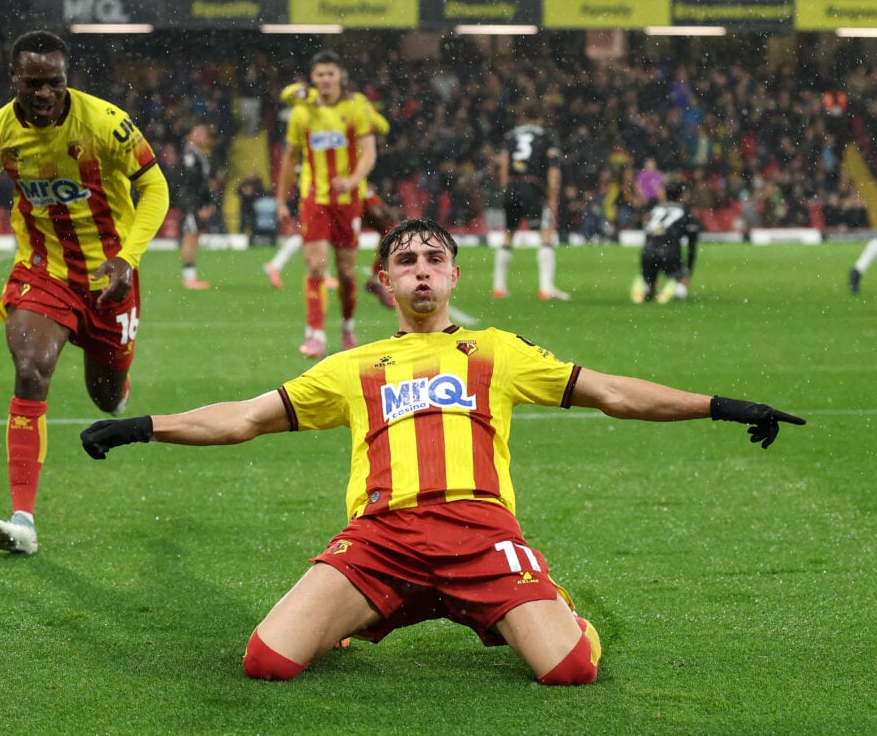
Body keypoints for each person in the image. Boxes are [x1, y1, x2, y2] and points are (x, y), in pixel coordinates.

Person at [79, 217, 804, 684]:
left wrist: (721, 405)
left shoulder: (497, 350)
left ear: (455, 276)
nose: (421, 268)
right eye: (406, 259)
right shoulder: (355, 365)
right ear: (385, 280)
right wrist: (142, 424)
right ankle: (370, 606)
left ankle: (553, 610)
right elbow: (241, 418)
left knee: (571, 668)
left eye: (434, 258)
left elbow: (613, 391)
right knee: (266, 662)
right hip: (381, 538)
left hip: (480, 534)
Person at [0, 30, 170, 555]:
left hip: (110, 277)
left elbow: (154, 186)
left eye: (55, 84)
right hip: (42, 271)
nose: (45, 94)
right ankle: (23, 518)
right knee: (30, 368)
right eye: (33, 84)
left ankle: (118, 378)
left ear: (67, 80)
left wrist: (127, 258)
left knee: (107, 398)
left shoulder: (105, 123)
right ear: (15, 80)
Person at [273, 51, 377, 357]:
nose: (326, 79)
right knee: (316, 265)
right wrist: (281, 200)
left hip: (348, 201)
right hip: (314, 199)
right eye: (320, 75)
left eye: (331, 74)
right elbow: (289, 157)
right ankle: (315, 333)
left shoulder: (355, 106)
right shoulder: (302, 112)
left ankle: (347, 326)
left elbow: (369, 152)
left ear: (340, 76)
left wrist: (353, 179)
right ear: (313, 78)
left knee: (346, 272)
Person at [265, 78, 395, 309]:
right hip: (321, 188)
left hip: (355, 188)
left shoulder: (357, 105)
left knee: (391, 228)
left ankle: (376, 279)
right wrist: (304, 94)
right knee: (318, 245)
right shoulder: (313, 101)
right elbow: (287, 93)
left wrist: (366, 111)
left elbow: (384, 127)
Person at [493, 102, 567, 301]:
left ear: (522, 117)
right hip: (532, 187)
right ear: (539, 118)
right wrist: (552, 196)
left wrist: (505, 189)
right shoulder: (546, 136)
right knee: (545, 234)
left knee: (508, 235)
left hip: (512, 186)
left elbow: (503, 165)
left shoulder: (511, 136)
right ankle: (546, 288)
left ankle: (499, 288)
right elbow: (553, 169)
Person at [631, 180, 700, 304]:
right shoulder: (685, 212)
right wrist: (687, 272)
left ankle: (647, 287)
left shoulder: (655, 210)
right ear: (681, 196)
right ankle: (676, 290)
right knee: (681, 279)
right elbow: (691, 246)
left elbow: (648, 233)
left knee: (649, 287)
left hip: (649, 251)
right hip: (670, 251)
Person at [176, 121, 214, 290]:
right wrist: (195, 206)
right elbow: (190, 182)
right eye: (198, 131)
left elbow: (201, 183)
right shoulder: (189, 154)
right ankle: (189, 279)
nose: (203, 135)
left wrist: (207, 203)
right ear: (189, 135)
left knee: (193, 236)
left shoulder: (198, 153)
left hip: (195, 203)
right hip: (191, 204)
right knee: (190, 237)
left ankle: (191, 277)